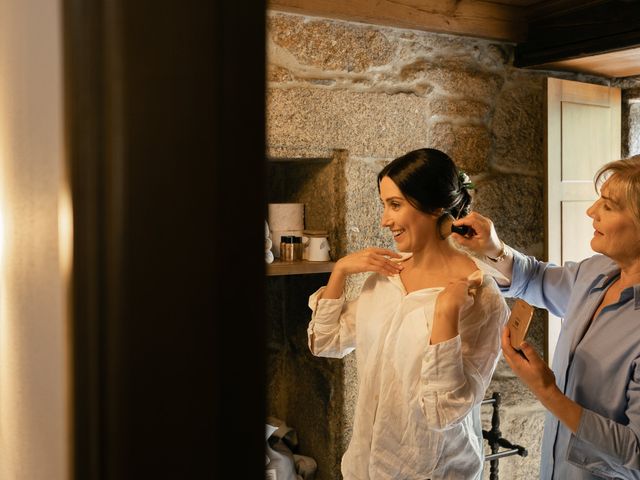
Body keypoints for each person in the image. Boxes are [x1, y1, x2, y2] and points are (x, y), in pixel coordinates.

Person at [306, 148, 510, 479]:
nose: (385, 220)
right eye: (384, 204)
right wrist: (340, 271)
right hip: (365, 467)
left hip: (433, 472)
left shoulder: (480, 296)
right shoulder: (385, 276)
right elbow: (326, 342)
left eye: (395, 205)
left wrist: (445, 313)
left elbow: (444, 410)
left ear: (434, 207)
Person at [452, 155, 640, 479]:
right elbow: (538, 279)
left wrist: (546, 392)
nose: (590, 211)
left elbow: (636, 453)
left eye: (608, 206)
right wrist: (494, 246)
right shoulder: (597, 271)